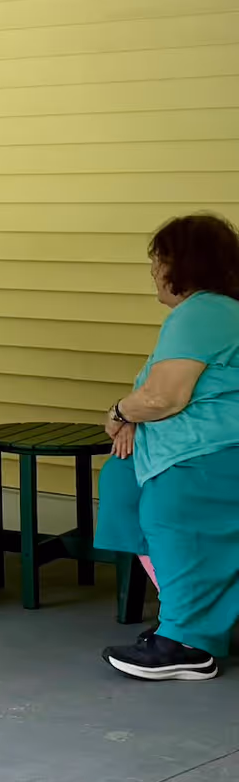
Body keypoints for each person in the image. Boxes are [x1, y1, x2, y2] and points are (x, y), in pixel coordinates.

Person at [94, 213, 239, 681]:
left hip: (208, 454)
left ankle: (188, 643)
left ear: (183, 264)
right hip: (179, 449)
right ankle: (189, 616)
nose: (155, 271)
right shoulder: (210, 312)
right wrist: (133, 418)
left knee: (171, 513)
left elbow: (162, 397)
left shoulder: (205, 310)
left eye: (159, 260)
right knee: (126, 494)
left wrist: (120, 413)